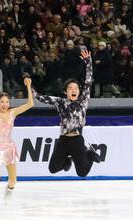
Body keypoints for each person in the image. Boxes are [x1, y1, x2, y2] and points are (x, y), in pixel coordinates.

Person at [34, 48, 98, 178]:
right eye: (70, 88)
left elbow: (88, 82)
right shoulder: (60, 102)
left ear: (79, 91)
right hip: (63, 139)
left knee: (82, 173)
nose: (73, 90)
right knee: (53, 169)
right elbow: (41, 98)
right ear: (66, 92)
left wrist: (88, 62)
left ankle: (90, 155)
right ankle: (67, 161)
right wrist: (29, 88)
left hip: (77, 140)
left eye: (76, 88)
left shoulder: (83, 101)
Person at [0, 72, 36, 201]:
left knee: (13, 180)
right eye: (2, 102)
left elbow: (30, 104)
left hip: (9, 147)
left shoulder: (13, 113)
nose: (5, 104)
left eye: (7, 102)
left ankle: (9, 191)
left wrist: (28, 86)